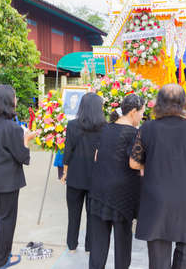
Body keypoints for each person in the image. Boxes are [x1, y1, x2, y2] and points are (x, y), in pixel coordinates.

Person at [129, 84, 186, 269]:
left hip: (156, 199)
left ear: (159, 103)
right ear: (183, 103)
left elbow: (134, 163)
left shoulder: (147, 128)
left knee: (158, 259)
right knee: (185, 252)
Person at [0, 85, 36, 269]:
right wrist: (26, 139)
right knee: (7, 219)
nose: (16, 100)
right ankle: (2, 260)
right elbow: (23, 157)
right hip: (6, 182)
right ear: (8, 101)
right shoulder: (13, 128)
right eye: (15, 97)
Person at [89, 94, 145, 269]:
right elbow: (137, 165)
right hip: (122, 197)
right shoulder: (135, 134)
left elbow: (97, 156)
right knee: (122, 244)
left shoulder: (106, 128)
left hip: (98, 192)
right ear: (133, 111)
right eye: (142, 112)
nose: (142, 117)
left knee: (98, 244)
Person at [62, 92, 106, 253]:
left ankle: (72, 245)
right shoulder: (105, 127)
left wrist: (65, 171)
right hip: (95, 177)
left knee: (73, 214)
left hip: (75, 176)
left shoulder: (72, 125)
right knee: (92, 215)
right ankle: (89, 246)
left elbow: (68, 151)